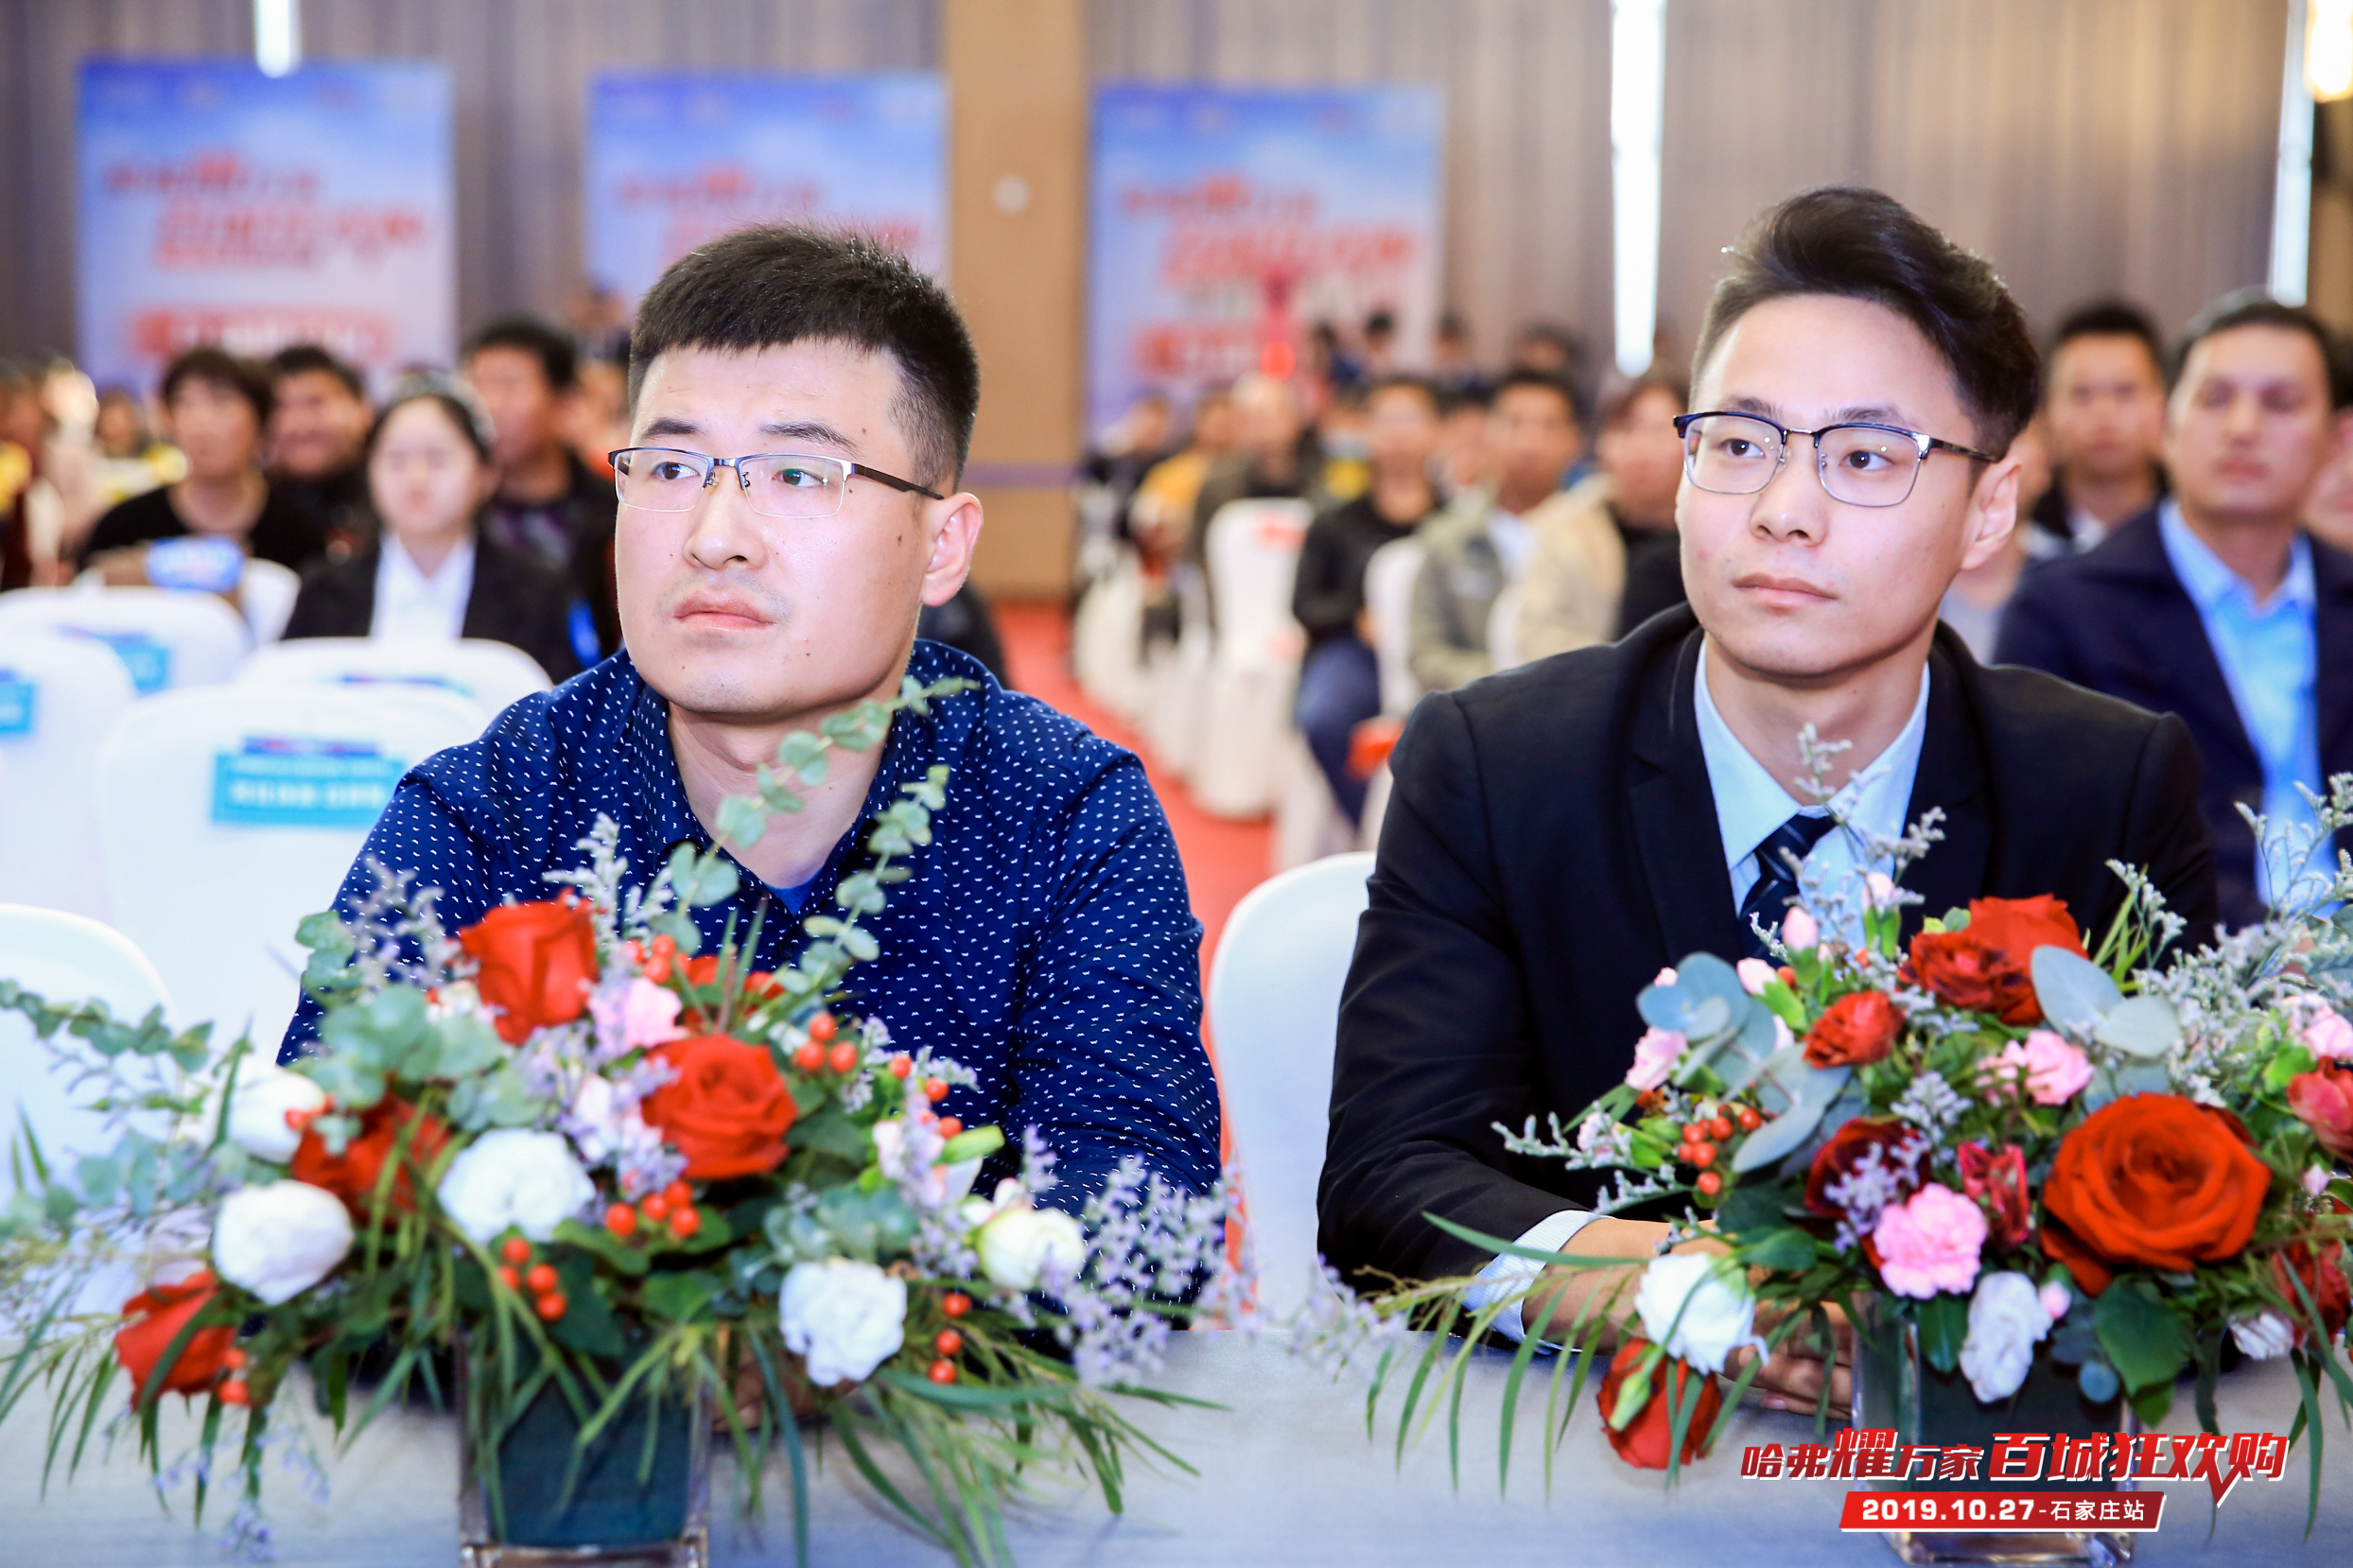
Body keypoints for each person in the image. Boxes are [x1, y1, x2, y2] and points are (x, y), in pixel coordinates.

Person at [1320, 188, 2218, 1410]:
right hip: (1585, 1454)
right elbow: (1390, 1178)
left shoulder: (2104, 788)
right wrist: (1694, 1295)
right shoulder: (1494, 766)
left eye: (1864, 457)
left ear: (1989, 509)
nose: (1783, 509)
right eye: (1740, 443)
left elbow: (2193, 1196)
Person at [282, 226, 1221, 1211]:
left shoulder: (1062, 812)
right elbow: (323, 1166)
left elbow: (1141, 1212)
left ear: (942, 546)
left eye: (797, 475)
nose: (713, 537)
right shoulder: (498, 803)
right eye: (670, 469)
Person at [1998, 291, 2353, 927]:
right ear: (2165, 423)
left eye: (2280, 403)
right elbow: (2052, 838)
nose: (2243, 427)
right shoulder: (2067, 608)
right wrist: (2275, 947)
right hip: (2177, 959)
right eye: (2215, 398)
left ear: (2334, 436)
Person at [280, 381, 582, 682]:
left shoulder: (540, 595)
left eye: (437, 459)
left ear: (486, 474)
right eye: (396, 459)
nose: (416, 478)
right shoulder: (322, 590)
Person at [1291, 376, 1446, 823]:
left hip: (1434, 652)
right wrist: (1356, 618)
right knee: (1323, 719)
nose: (1398, 434)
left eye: (1410, 420)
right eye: (1386, 420)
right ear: (1366, 432)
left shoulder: (1456, 522)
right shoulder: (1334, 521)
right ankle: (1376, 828)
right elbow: (1304, 606)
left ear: (1436, 431)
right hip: (1355, 653)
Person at [1405, 369, 1583, 688]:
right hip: (1474, 705)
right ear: (1487, 432)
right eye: (1515, 424)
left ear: (1574, 441)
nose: (1530, 444)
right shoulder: (1447, 539)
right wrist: (1507, 681)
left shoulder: (1595, 541)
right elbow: (1425, 654)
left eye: (1548, 426)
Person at [462, 315, 622, 661]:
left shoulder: (614, 510)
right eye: (476, 386)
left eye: (509, 386)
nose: (489, 406)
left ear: (565, 404)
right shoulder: (455, 512)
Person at [82, 347, 324, 571]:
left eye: (221, 402)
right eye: (185, 403)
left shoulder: (299, 535)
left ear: (261, 419)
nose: (201, 424)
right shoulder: (124, 530)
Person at [1514, 370, 1690, 663]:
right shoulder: (1566, 527)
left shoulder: (1714, 530)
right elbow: (1537, 633)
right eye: (1625, 430)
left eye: (1658, 430)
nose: (1642, 449)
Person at [2029, 301, 2169, 560]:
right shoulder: (2021, 535)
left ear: (2164, 407)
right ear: (2047, 411)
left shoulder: (2194, 530)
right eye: (2082, 393)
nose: (2104, 413)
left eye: (2125, 391)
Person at [1938, 415, 2049, 661]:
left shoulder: (2078, 586)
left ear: (2045, 467)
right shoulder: (1902, 586)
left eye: (2012, 435)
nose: (1992, 452)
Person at [267, 344, 375, 560]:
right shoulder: (253, 514)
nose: (300, 424)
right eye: (280, 407)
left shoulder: (394, 500)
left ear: (361, 407)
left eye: (315, 402)